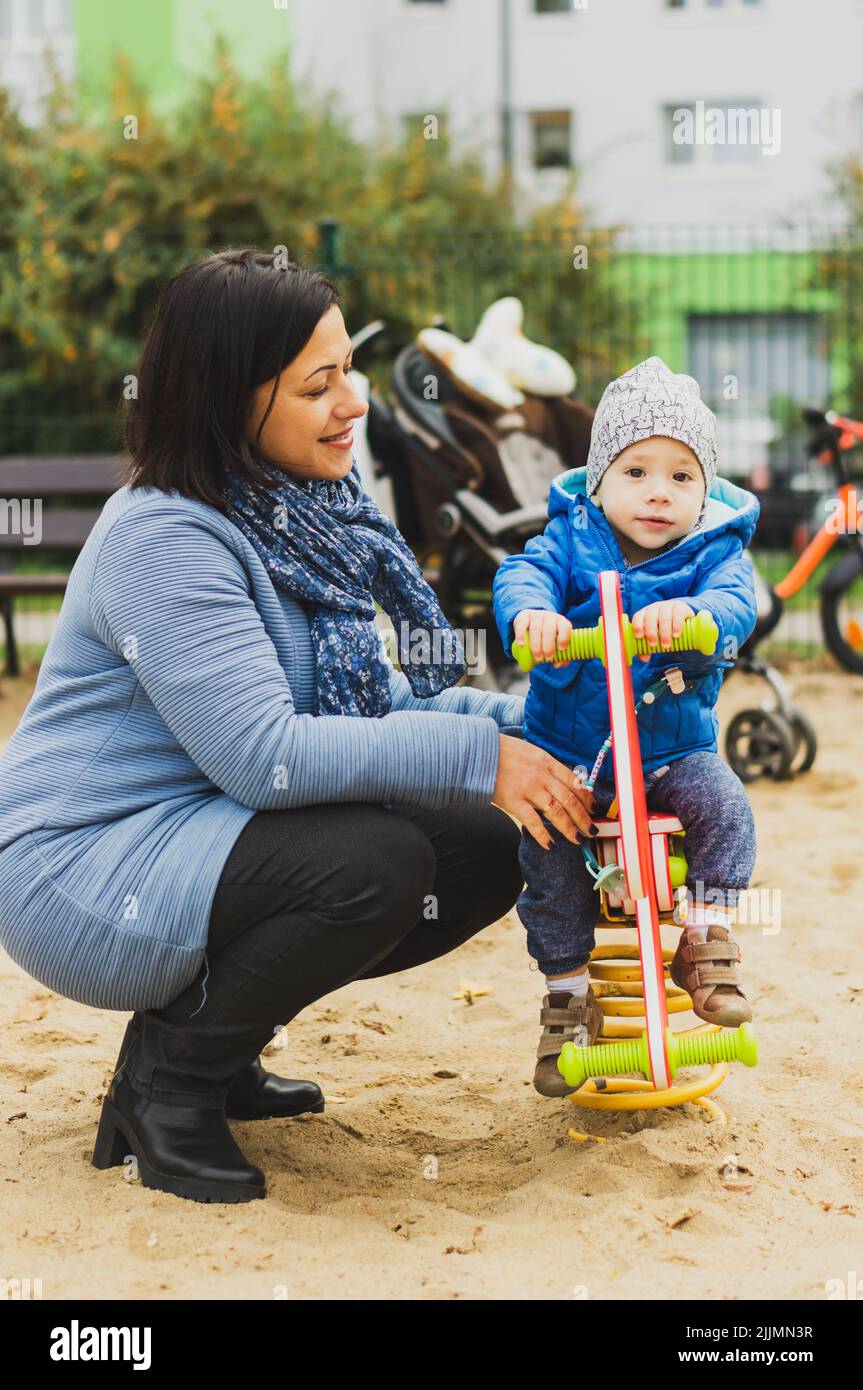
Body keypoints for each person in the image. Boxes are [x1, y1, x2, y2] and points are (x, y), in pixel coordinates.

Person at [0, 249, 597, 1203]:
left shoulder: (306, 513)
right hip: (80, 865)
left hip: (197, 832)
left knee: (486, 841)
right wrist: (483, 756)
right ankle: (170, 1087)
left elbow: (381, 705)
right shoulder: (165, 535)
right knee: (373, 862)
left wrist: (551, 728)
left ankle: (217, 1046)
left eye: (348, 370)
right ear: (228, 400)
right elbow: (264, 757)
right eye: (318, 385)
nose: (353, 401)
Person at [492, 356, 760, 1097]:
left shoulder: (712, 552)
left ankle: (703, 939)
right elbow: (519, 574)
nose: (657, 493)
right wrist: (533, 617)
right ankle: (569, 993)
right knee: (546, 851)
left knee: (725, 806)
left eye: (681, 477)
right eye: (636, 471)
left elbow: (740, 603)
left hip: (669, 750)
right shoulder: (569, 540)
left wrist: (698, 618)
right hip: (573, 752)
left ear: (704, 493)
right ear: (599, 480)